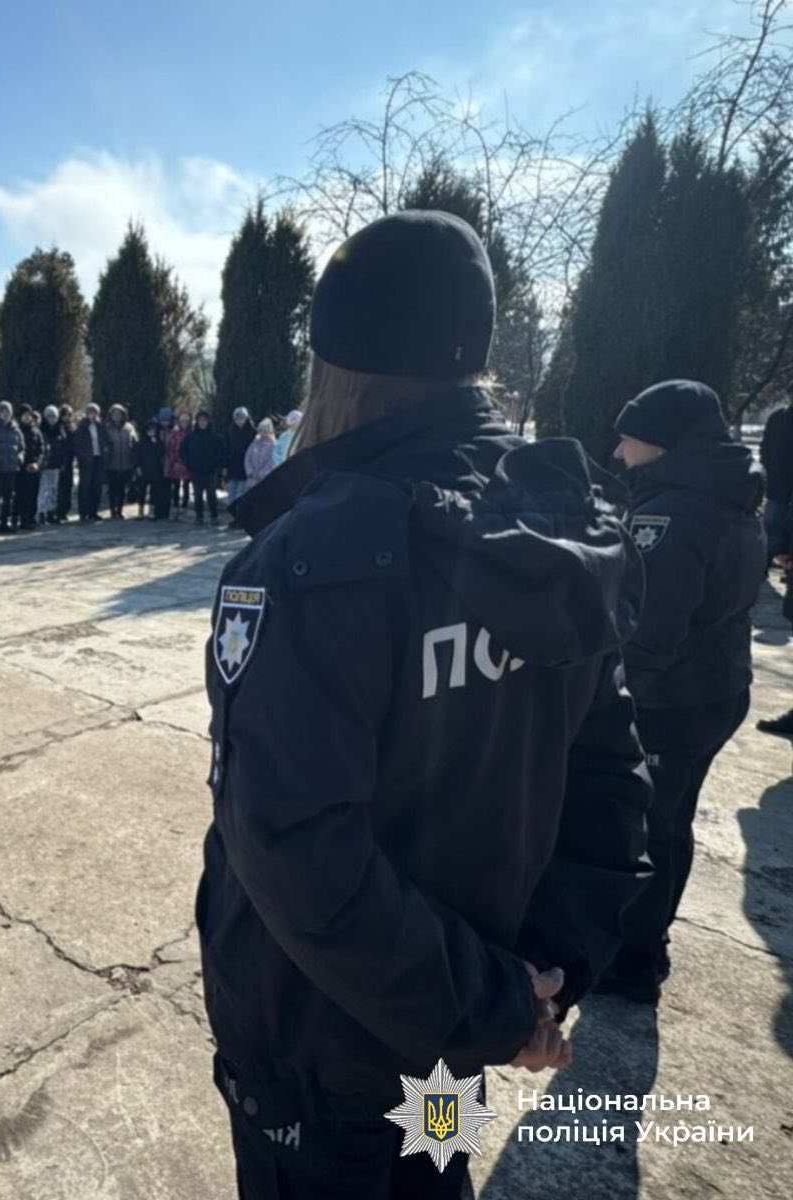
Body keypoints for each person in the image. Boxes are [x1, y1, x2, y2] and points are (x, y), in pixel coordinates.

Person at [198, 210, 650, 1200]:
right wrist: (538, 983)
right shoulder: (559, 523)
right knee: (433, 1169)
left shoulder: (308, 558)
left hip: (325, 1062)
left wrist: (504, 1002)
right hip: (454, 1045)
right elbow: (610, 778)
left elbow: (291, 844)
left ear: (333, 363)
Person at [592, 380, 765, 1004]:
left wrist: (609, 703)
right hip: (715, 689)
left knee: (646, 828)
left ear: (662, 443)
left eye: (629, 439)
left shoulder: (675, 514)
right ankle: (647, 941)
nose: (617, 452)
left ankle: (634, 961)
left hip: (672, 700)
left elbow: (650, 630)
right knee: (671, 822)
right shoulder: (726, 497)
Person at [760, 395, 792, 569]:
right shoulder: (778, 418)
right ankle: (762, 563)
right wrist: (768, 469)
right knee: (771, 524)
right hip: (779, 482)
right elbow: (765, 446)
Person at [181, 411, 225, 525]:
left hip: (210, 472)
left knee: (211, 496)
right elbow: (182, 451)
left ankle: (214, 516)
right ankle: (199, 517)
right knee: (197, 496)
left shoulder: (215, 437)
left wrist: (216, 466)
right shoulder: (190, 437)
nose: (202, 423)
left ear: (208, 421)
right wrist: (188, 464)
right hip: (195, 472)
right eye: (200, 420)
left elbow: (222, 453)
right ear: (197, 422)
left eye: (204, 420)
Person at [0, 401, 23, 533]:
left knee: (9, 497)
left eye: (7, 411)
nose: (5, 414)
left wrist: (19, 459)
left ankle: (4, 522)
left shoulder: (16, 430)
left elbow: (21, 447)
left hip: (12, 468)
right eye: (3, 411)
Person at [71, 402, 106, 522]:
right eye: (90, 412)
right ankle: (83, 513)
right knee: (85, 486)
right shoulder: (82, 427)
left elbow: (106, 442)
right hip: (86, 460)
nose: (93, 415)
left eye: (95, 412)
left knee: (97, 487)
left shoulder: (101, 426)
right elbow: (76, 445)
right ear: (87, 414)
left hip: (98, 459)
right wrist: (83, 457)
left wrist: (105, 453)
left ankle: (93, 512)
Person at [101, 404, 136, 519]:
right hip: (111, 464)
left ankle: (120, 510)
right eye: (114, 414)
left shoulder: (129, 428)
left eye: (119, 414)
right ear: (110, 415)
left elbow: (135, 442)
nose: (117, 416)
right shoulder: (106, 428)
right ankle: (112, 510)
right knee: (112, 489)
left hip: (126, 463)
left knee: (122, 489)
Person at [17, 405, 45, 530]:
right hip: (22, 468)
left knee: (34, 493)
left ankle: (31, 517)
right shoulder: (17, 430)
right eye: (25, 415)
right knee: (22, 495)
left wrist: (37, 463)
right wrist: (24, 465)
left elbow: (41, 449)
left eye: (29, 415)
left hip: (35, 467)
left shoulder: (36, 431)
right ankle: (23, 519)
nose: (27, 417)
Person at [137, 419, 171, 520]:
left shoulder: (159, 442)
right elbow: (137, 455)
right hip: (143, 469)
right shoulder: (141, 442)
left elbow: (161, 454)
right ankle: (140, 511)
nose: (151, 432)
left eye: (153, 430)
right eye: (149, 430)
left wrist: (156, 443)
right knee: (141, 491)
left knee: (154, 491)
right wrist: (138, 466)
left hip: (155, 470)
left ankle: (151, 511)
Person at [36, 406, 65, 524]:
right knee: (44, 489)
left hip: (56, 465)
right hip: (45, 465)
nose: (51, 419)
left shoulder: (60, 430)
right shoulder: (42, 431)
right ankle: (41, 513)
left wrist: (63, 462)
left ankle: (51, 512)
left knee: (54, 489)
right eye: (49, 416)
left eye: (54, 416)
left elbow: (63, 448)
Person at [226, 407, 258, 513]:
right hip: (233, 466)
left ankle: (239, 518)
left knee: (240, 495)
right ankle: (233, 517)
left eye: (242, 418)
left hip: (245, 466)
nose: (239, 421)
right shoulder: (231, 431)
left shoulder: (252, 432)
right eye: (237, 419)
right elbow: (228, 449)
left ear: (247, 418)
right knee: (231, 495)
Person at [53, 404, 77, 522]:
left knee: (68, 486)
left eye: (69, 415)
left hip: (70, 460)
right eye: (65, 415)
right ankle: (57, 511)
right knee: (59, 487)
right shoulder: (58, 427)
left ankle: (64, 511)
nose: (67, 417)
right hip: (60, 460)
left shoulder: (72, 427)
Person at [167, 411, 192, 517]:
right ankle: (176, 505)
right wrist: (174, 462)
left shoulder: (192, 434)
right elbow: (170, 449)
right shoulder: (175, 434)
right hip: (176, 463)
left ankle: (185, 506)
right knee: (176, 485)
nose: (184, 424)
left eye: (186, 421)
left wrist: (189, 463)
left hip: (188, 464)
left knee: (186, 486)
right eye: (182, 421)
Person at [244, 418, 278, 492]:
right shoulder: (254, 443)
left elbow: (271, 461)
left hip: (264, 481)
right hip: (251, 480)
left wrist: (261, 474)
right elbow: (247, 458)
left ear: (270, 431)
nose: (263, 433)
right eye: (261, 430)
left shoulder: (274, 446)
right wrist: (250, 472)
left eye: (265, 431)